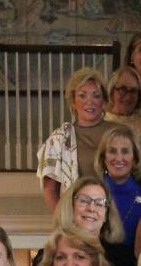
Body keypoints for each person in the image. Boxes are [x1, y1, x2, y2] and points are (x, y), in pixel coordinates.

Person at [26, 176, 129, 266]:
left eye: (99, 203)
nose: (91, 208)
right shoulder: (47, 255)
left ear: (106, 215)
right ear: (71, 207)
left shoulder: (123, 257)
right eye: (84, 201)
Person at [36, 67, 109, 213]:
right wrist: (64, 223)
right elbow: (50, 190)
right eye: (82, 96)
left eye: (96, 95)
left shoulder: (119, 132)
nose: (90, 102)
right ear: (73, 101)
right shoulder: (59, 139)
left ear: (104, 100)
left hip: (117, 214)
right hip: (78, 216)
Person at [97, 125, 141, 256]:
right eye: (112, 151)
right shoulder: (90, 195)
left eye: (125, 151)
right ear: (103, 157)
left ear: (135, 158)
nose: (118, 158)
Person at [104, 67, 141, 161]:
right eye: (122, 89)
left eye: (133, 91)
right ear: (112, 92)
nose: (128, 97)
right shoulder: (100, 122)